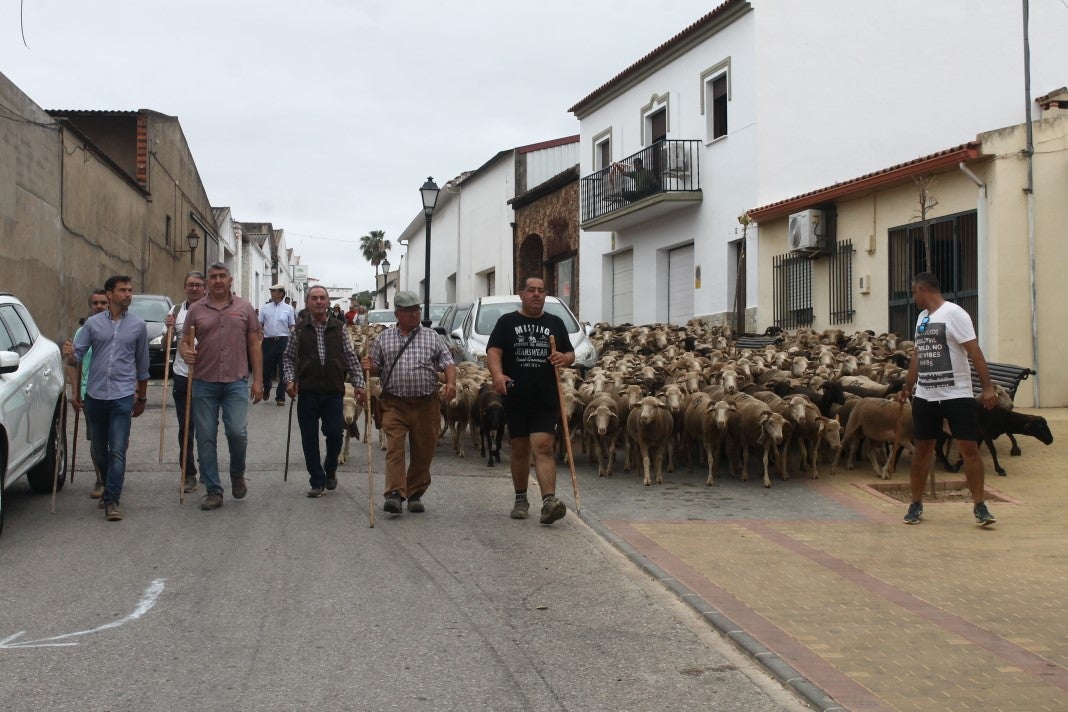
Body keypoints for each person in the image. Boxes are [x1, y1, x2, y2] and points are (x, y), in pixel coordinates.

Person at [898, 271, 998, 526]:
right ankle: (915, 504)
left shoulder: (955, 313)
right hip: (926, 396)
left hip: (957, 394)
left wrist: (987, 387)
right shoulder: (921, 318)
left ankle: (980, 506)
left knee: (969, 450)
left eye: (913, 292)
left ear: (921, 289)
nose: (913, 298)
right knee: (922, 450)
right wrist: (908, 386)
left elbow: (974, 351)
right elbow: (917, 356)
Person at [487, 277, 575, 525]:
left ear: (545, 295)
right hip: (516, 395)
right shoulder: (507, 322)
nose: (536, 294)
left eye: (541, 290)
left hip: (546, 396)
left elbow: (570, 352)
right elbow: (494, 351)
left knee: (544, 446)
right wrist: (497, 375)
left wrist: (563, 358)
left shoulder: (555, 323)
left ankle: (549, 502)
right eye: (531, 290)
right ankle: (521, 498)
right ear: (521, 294)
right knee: (520, 449)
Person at [62, 276, 149, 522]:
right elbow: (76, 357)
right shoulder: (92, 325)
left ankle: (112, 500)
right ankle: (108, 483)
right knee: (100, 450)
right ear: (110, 294)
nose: (128, 294)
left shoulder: (138, 326)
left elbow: (142, 365)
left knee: (118, 450)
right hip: (96, 396)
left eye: (130, 290)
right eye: (123, 290)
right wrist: (69, 355)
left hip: (123, 396)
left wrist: (141, 397)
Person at [361, 291, 456, 514]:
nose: (414, 315)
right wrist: (368, 365)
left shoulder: (431, 336)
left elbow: (448, 362)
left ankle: (414, 493)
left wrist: (451, 382)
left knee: (424, 450)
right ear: (397, 314)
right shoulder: (384, 338)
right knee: (394, 448)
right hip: (394, 403)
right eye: (408, 311)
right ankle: (394, 493)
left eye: (416, 310)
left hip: (426, 403)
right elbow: (375, 367)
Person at [181, 262, 264, 511]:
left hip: (235, 381)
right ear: (207, 281)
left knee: (237, 433)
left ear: (230, 280)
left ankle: (237, 473)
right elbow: (186, 341)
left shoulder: (244, 308)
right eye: (213, 277)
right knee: (205, 437)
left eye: (222, 276)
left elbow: (254, 345)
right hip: (204, 382)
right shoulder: (196, 309)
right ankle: (213, 490)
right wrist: (186, 352)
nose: (218, 280)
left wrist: (258, 380)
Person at [283, 286, 366, 497]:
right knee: (309, 437)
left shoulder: (339, 328)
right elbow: (288, 358)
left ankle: (330, 470)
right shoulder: (299, 330)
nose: (319, 302)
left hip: (333, 391)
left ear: (328, 302)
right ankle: (317, 480)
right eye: (314, 298)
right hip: (308, 391)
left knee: (334, 434)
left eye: (322, 298)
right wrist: (290, 380)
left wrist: (359, 383)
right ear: (308, 303)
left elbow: (349, 356)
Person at [164, 271, 206, 493]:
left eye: (199, 285)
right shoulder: (176, 311)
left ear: (204, 288)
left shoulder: (212, 309)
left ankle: (207, 469)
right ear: (184, 287)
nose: (195, 288)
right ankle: (188, 472)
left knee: (207, 427)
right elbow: (165, 344)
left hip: (208, 376)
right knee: (186, 426)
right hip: (182, 375)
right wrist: (169, 328)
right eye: (191, 284)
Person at [70, 289, 110, 498]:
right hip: (89, 392)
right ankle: (101, 480)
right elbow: (74, 363)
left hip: (115, 392)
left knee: (116, 439)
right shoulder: (82, 332)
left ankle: (113, 475)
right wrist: (75, 392)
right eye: (95, 303)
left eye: (103, 303)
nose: (99, 307)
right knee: (96, 439)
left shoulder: (116, 328)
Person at [259, 283, 295, 406]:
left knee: (284, 370)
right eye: (271, 291)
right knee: (266, 370)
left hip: (283, 341)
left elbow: (291, 326)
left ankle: (280, 396)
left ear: (281, 293)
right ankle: (267, 387)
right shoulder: (265, 308)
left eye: (274, 291)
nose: (272, 293)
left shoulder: (289, 309)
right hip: (268, 342)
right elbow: (259, 324)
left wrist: (292, 340)